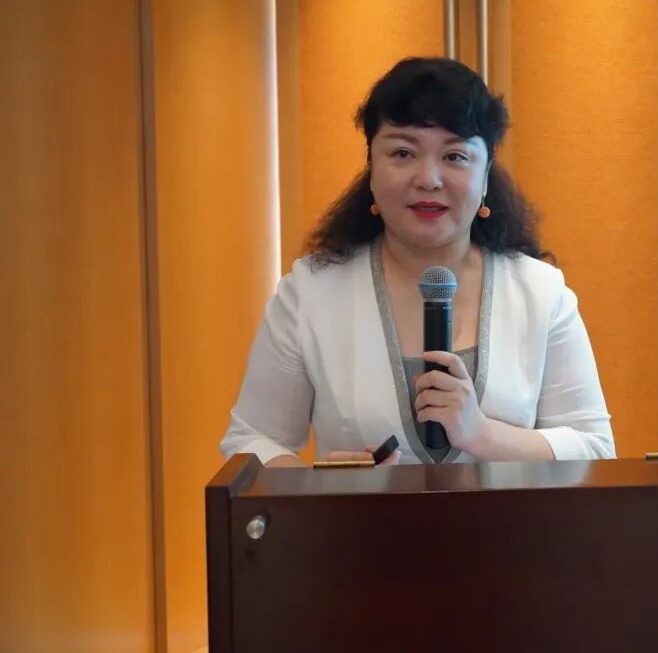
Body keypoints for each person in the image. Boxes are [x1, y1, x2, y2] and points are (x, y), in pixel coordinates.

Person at [220, 57, 615, 467]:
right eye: (403, 152)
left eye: (455, 156)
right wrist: (323, 486)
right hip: (354, 515)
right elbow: (251, 442)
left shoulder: (541, 292)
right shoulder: (310, 294)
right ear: (371, 168)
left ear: (485, 177)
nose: (428, 179)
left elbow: (596, 449)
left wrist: (484, 435)